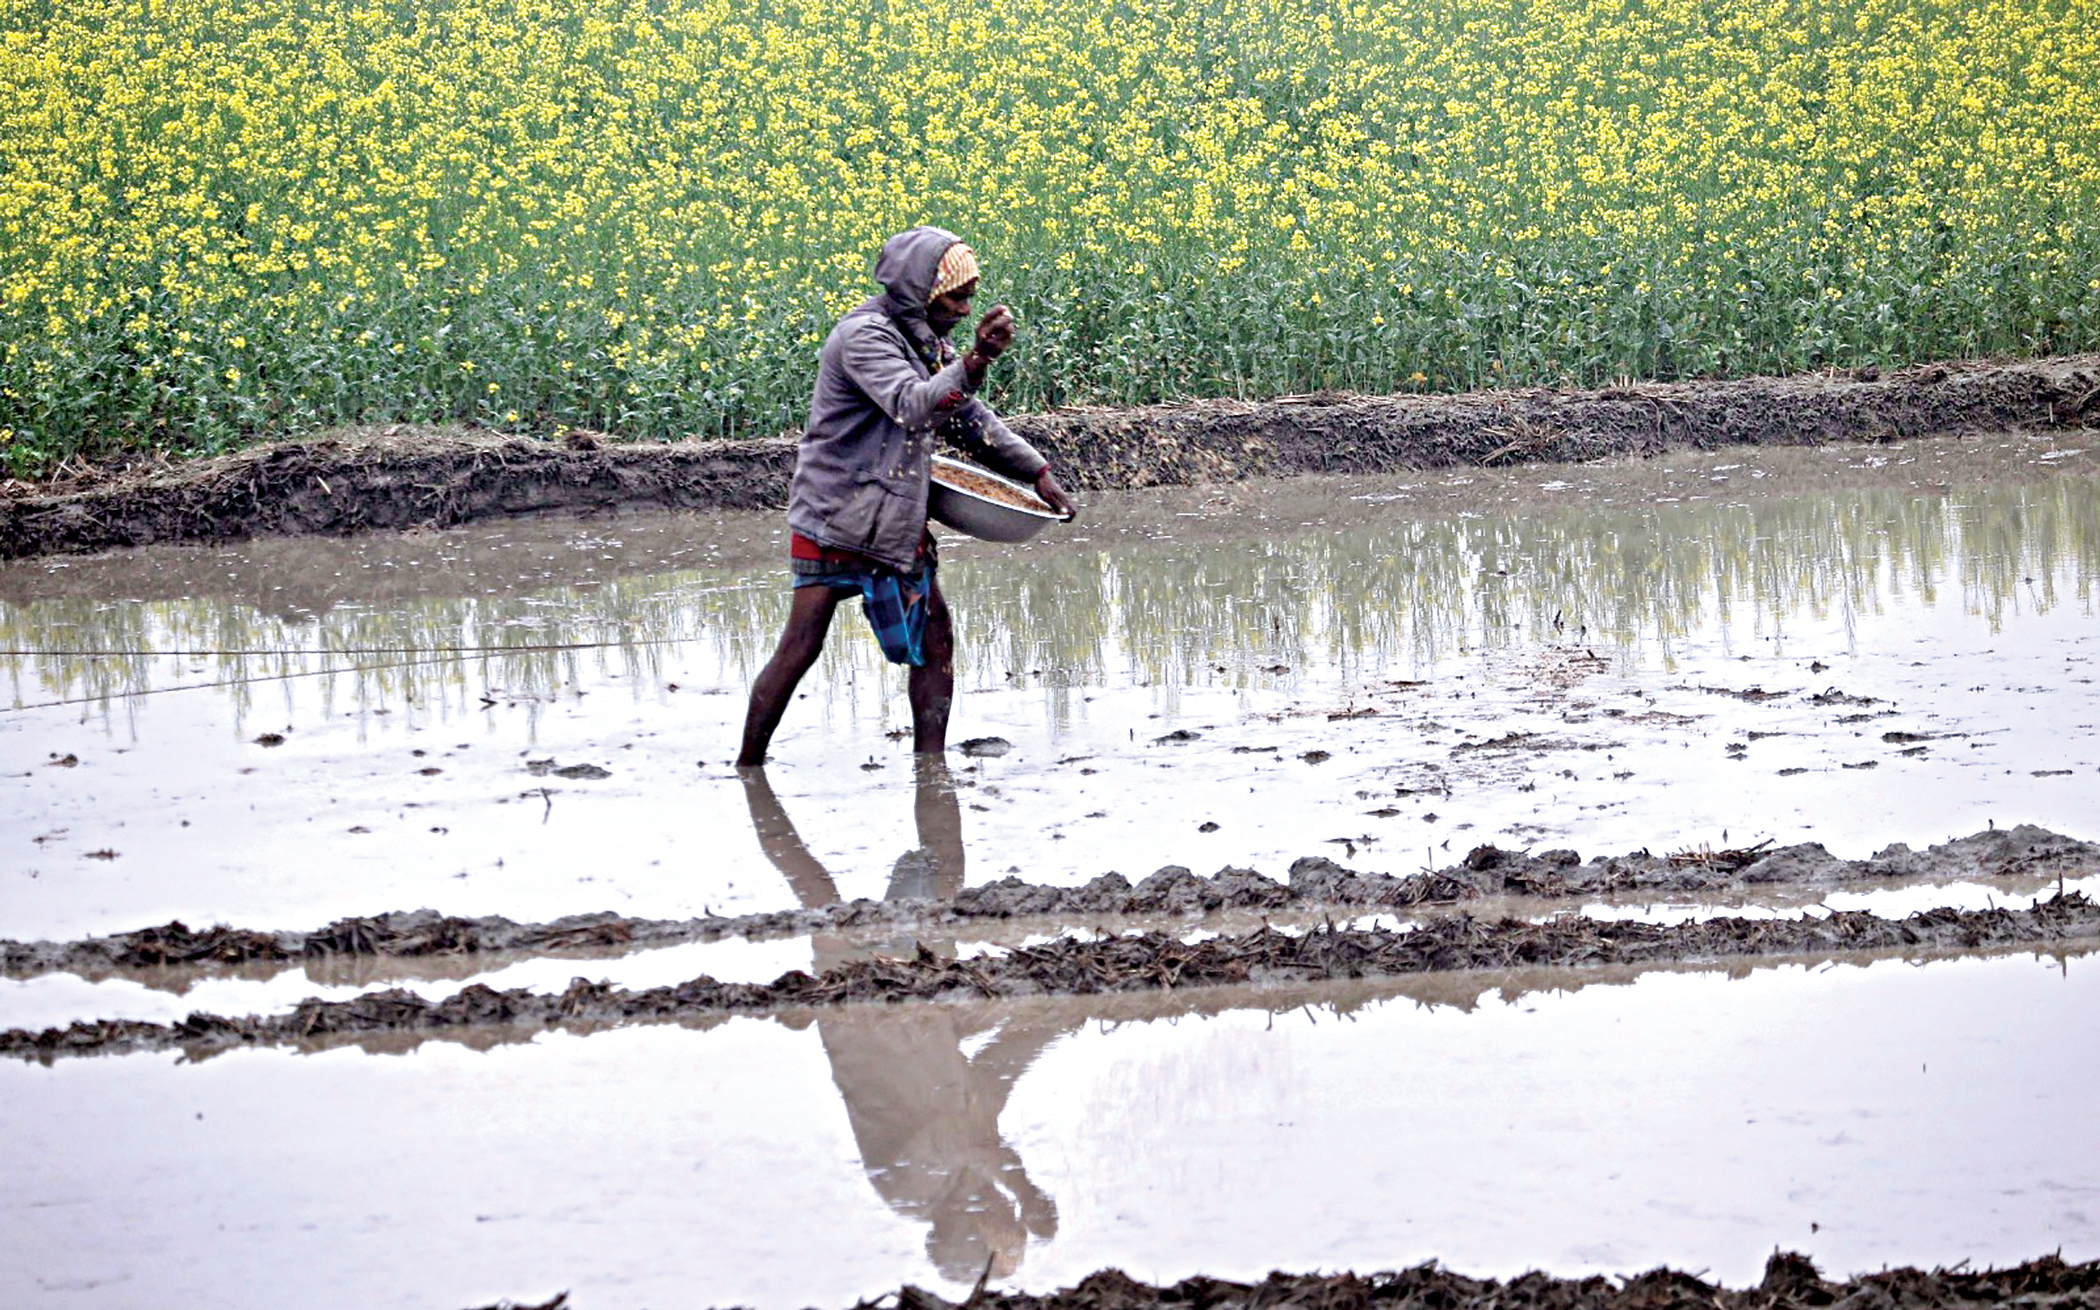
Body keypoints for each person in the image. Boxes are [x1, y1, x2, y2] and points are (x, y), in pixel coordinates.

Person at [735, 226, 1077, 767]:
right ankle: (748, 764)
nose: (967, 309)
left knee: (935, 637)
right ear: (921, 293)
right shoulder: (865, 338)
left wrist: (1035, 470)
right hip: (837, 514)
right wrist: (975, 363)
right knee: (801, 646)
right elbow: (912, 405)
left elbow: (965, 418)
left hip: (892, 513)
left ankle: (929, 768)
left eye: (970, 297)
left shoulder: (924, 341)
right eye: (957, 297)